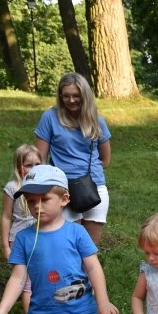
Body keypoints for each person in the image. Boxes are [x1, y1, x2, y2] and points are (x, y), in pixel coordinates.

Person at [0, 165, 119, 314]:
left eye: (45, 199)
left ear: (64, 199)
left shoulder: (77, 232)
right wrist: (3, 309)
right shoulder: (23, 238)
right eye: (31, 201)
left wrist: (103, 301)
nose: (36, 206)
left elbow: (93, 267)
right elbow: (18, 277)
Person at [35, 72, 112, 246]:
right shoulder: (50, 117)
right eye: (66, 96)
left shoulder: (97, 121)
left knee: (90, 249)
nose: (71, 100)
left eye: (76, 96)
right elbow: (39, 160)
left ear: (85, 96)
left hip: (93, 187)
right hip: (61, 188)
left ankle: (87, 274)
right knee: (66, 246)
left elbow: (106, 160)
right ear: (60, 96)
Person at [0, 144, 42, 314]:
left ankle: (42, 313)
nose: (34, 169)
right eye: (29, 165)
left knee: (37, 278)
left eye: (38, 164)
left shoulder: (44, 185)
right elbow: (6, 217)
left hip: (40, 237)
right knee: (27, 283)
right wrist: (5, 246)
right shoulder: (12, 187)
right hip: (19, 239)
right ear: (19, 166)